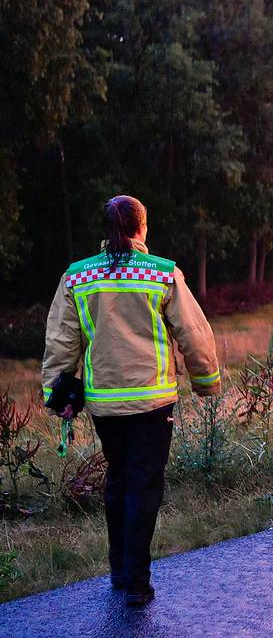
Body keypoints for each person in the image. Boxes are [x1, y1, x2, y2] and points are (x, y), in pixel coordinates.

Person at [41, 196, 220, 606]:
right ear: (142, 227)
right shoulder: (161, 273)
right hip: (153, 401)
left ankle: (119, 570)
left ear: (106, 230)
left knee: (119, 480)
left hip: (105, 403)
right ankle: (137, 580)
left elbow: (62, 340)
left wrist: (58, 391)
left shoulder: (76, 277)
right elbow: (193, 332)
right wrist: (206, 381)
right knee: (144, 484)